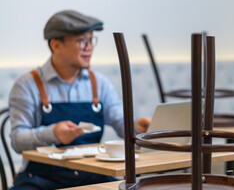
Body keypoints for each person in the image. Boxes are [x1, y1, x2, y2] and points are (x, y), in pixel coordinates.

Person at [9, 10, 151, 189]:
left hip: (93, 176)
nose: (89, 47)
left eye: (91, 40)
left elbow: (121, 121)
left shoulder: (99, 83)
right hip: (40, 178)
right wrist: (53, 133)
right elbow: (17, 140)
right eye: (81, 41)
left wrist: (137, 126)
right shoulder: (27, 85)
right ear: (56, 45)